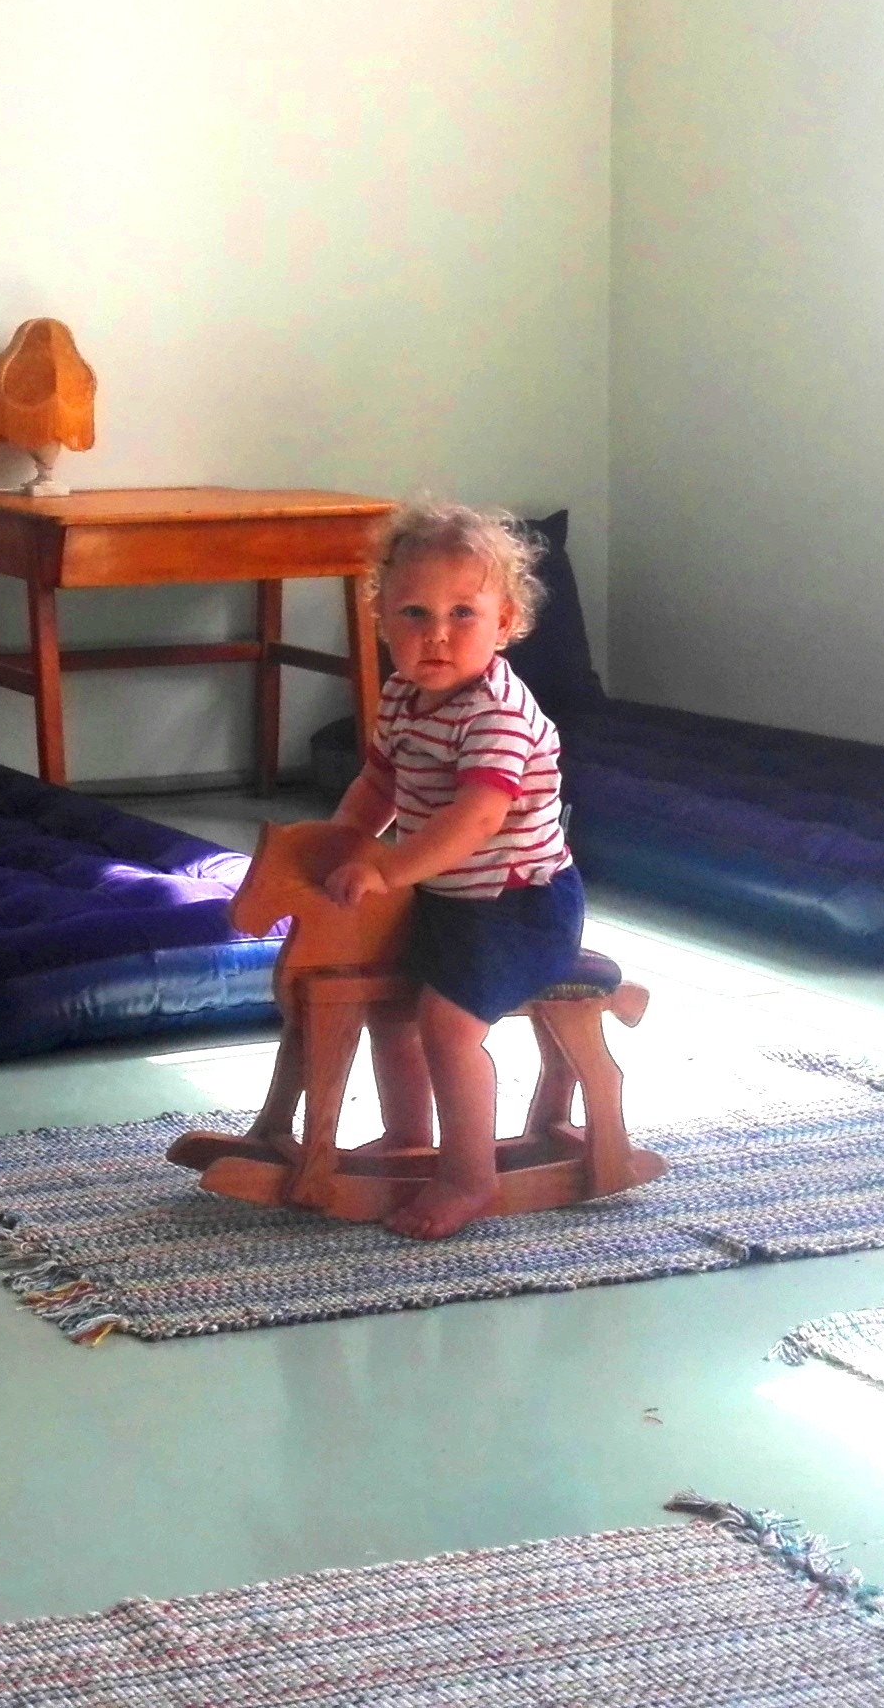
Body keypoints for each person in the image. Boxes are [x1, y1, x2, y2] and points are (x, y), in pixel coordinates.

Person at [320, 500, 590, 1239]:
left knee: (445, 1026)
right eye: (414, 613)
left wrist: (388, 869)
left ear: (506, 624)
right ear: (381, 619)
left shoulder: (496, 713)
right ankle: (410, 1137)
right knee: (389, 1010)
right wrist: (341, 844)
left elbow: (475, 820)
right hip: (445, 895)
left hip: (518, 906)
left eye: (462, 613)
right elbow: (378, 784)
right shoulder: (403, 696)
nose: (435, 633)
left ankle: (469, 1176)